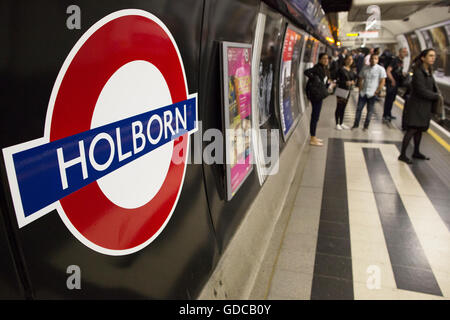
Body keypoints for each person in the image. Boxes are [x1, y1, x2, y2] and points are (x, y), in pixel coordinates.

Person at [398, 49, 443, 164]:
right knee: (412, 129)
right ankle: (402, 154)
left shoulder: (428, 71)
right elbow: (421, 90)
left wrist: (435, 94)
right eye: (430, 56)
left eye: (434, 56)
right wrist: (436, 96)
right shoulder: (418, 72)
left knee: (419, 130)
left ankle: (416, 152)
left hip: (424, 106)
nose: (433, 58)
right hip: (416, 106)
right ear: (423, 58)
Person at [304, 53, 335, 146]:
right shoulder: (317, 68)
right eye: (324, 58)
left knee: (316, 117)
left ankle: (314, 137)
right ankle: (312, 138)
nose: (326, 60)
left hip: (319, 95)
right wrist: (314, 78)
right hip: (316, 96)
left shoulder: (324, 69)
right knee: (315, 117)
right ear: (320, 59)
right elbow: (306, 72)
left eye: (327, 58)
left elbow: (324, 81)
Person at [352, 54, 386, 130]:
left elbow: (382, 81)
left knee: (370, 111)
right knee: (359, 109)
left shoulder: (381, 69)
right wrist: (360, 89)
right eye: (372, 58)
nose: (373, 60)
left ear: (378, 60)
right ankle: (356, 124)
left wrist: (377, 91)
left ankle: (366, 126)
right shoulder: (365, 68)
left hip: (373, 94)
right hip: (363, 92)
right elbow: (360, 78)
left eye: (375, 58)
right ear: (369, 60)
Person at [383, 47, 408, 122]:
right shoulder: (395, 60)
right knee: (389, 99)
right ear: (399, 52)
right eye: (403, 52)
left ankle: (389, 114)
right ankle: (385, 115)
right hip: (391, 83)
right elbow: (388, 70)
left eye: (405, 52)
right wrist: (392, 80)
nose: (405, 53)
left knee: (392, 99)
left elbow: (397, 71)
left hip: (396, 83)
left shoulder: (401, 61)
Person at [335, 55, 356, 130]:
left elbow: (354, 79)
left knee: (344, 107)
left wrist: (352, 82)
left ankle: (341, 122)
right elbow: (336, 80)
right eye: (348, 59)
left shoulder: (351, 70)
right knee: (339, 106)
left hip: (348, 90)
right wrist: (344, 82)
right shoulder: (341, 69)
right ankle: (337, 123)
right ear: (345, 60)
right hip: (341, 89)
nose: (350, 61)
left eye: (351, 59)